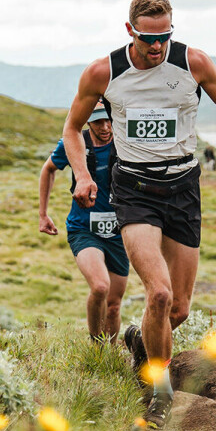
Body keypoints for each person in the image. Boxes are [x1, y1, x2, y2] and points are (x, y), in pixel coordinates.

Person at [62, 0, 216, 429]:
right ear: (130, 30)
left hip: (183, 188)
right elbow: (71, 129)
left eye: (165, 36)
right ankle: (160, 393)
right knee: (159, 294)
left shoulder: (193, 63)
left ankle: (138, 341)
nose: (157, 46)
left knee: (178, 309)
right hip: (134, 189)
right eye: (148, 38)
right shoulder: (104, 72)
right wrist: (83, 175)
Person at [38, 100, 129, 344]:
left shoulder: (124, 142)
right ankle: (96, 347)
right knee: (100, 287)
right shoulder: (74, 143)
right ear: (87, 121)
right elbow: (48, 169)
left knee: (113, 305)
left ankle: (108, 354)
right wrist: (43, 214)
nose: (105, 127)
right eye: (98, 122)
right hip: (84, 228)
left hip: (120, 231)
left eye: (109, 120)